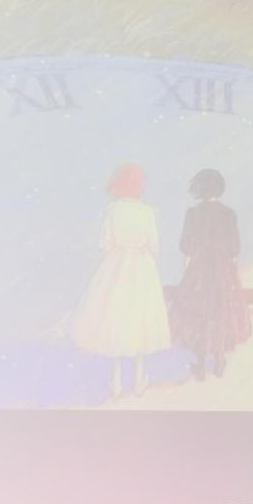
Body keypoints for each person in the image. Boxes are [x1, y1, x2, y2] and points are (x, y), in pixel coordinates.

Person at [71, 163, 173, 397]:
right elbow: (154, 244)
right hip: (142, 266)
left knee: (115, 319)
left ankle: (116, 383)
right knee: (140, 320)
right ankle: (138, 381)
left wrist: (116, 255)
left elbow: (105, 243)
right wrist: (144, 253)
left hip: (117, 265)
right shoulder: (147, 211)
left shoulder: (113, 210)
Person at [169, 168, 251, 381]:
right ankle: (219, 361)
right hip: (223, 271)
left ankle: (200, 363)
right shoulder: (229, 214)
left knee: (199, 314)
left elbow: (185, 246)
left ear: (199, 188)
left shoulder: (193, 213)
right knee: (221, 312)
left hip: (200, 270)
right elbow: (235, 248)